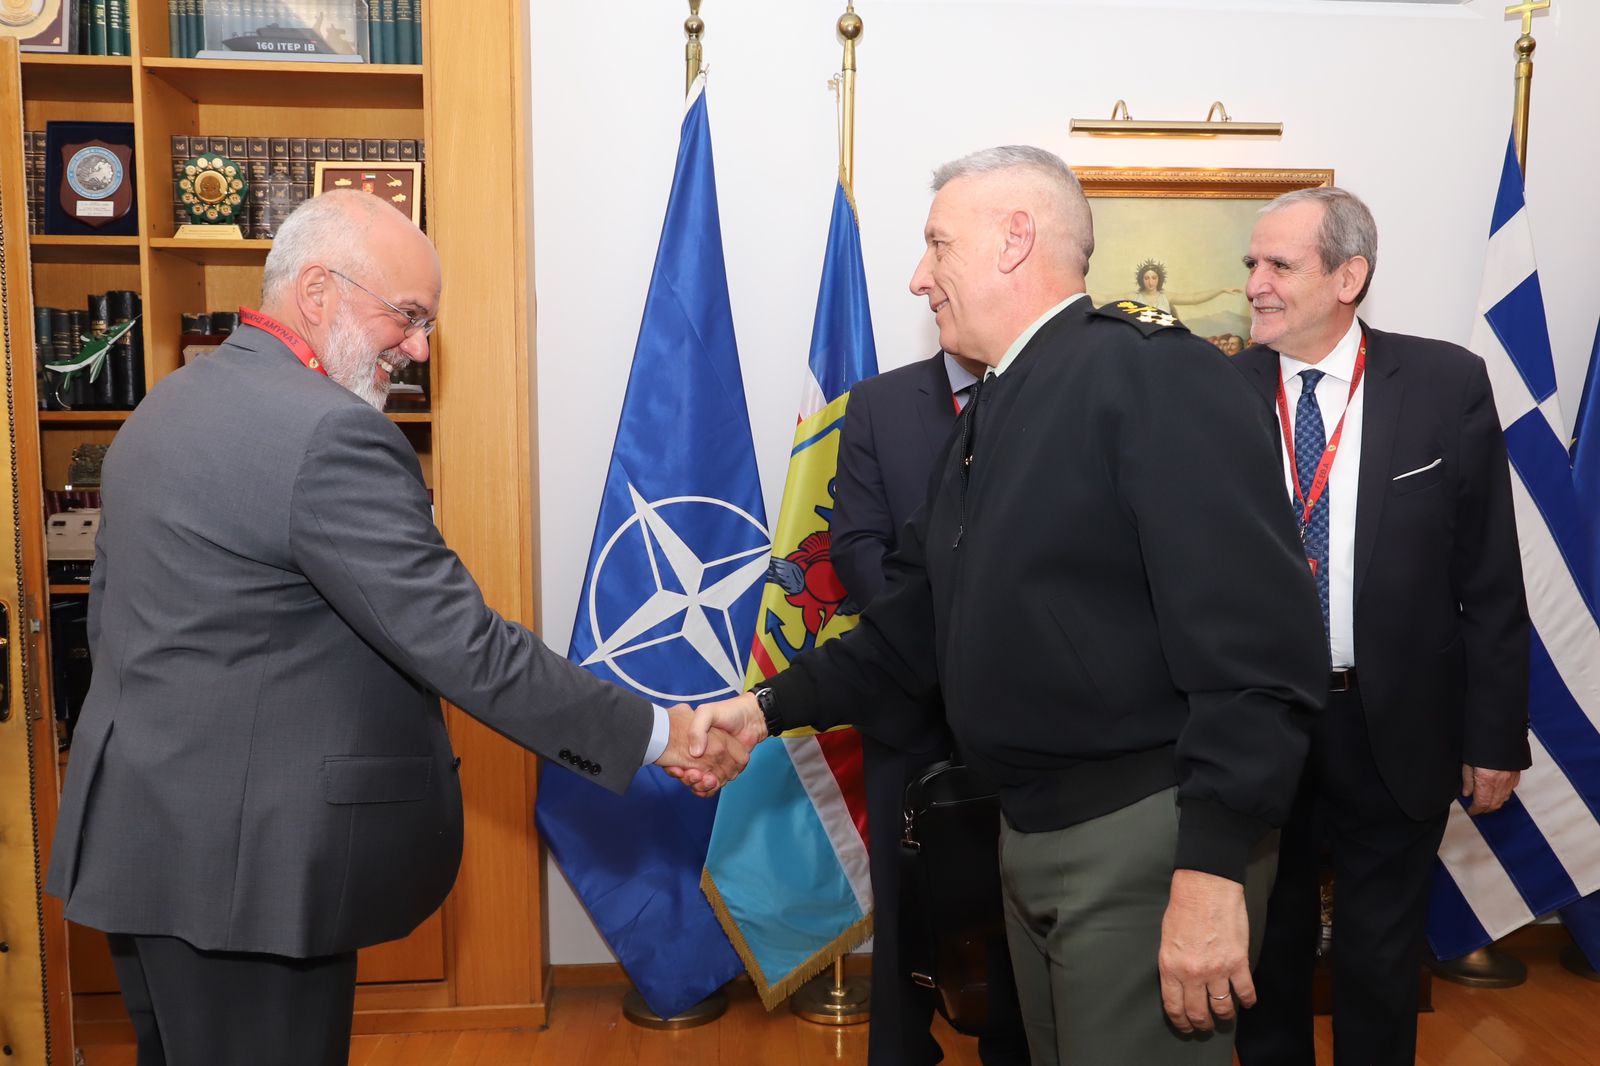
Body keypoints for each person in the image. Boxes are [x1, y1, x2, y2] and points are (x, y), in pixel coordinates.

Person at [44, 189, 746, 1066]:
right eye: (408, 316)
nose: (417, 348)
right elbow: (464, 645)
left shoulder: (167, 406)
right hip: (249, 875)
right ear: (317, 291)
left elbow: (117, 620)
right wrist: (662, 734)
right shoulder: (327, 435)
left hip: (147, 842)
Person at [685, 145, 1328, 1065]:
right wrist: (763, 709)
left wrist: (1212, 868)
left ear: (1015, 239)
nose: (919, 277)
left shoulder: (1154, 377)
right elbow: (912, 627)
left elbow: (1260, 652)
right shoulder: (995, 408)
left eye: (937, 245)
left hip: (1144, 845)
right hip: (1024, 830)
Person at [1231, 187, 1531, 1066]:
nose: (1255, 284)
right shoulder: (1214, 392)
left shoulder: (1444, 384)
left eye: (1279, 264)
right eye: (1252, 263)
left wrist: (1494, 736)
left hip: (1394, 721)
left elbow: (1490, 577)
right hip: (1257, 720)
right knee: (1267, 951)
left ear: (1348, 277)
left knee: (1380, 958)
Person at [832, 348, 1028, 1066]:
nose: (931, 292)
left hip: (1021, 705)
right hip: (907, 702)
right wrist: (938, 636)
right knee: (904, 897)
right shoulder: (878, 403)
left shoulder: (1046, 389)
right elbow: (855, 544)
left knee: (1016, 897)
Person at [1126, 257, 1242, 319]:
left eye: (1154, 278)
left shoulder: (1166, 297)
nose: (1150, 282)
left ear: (1159, 279)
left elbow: (1194, 298)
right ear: (1141, 280)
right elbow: (1112, 299)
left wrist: (1220, 290)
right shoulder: (1133, 297)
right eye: (1146, 278)